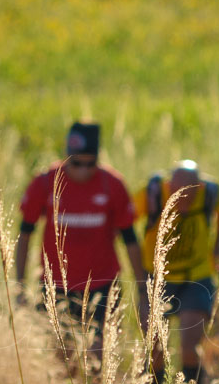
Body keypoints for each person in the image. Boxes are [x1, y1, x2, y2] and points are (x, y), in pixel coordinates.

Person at [15, 122, 146, 360]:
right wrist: (20, 285)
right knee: (60, 358)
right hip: (56, 285)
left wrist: (142, 289)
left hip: (103, 284)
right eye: (76, 163)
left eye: (91, 163)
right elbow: (24, 235)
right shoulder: (45, 183)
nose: (84, 170)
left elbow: (131, 240)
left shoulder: (112, 184)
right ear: (66, 157)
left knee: (97, 358)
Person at [134, 160, 219, 384]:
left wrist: (218, 242)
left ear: (199, 188)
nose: (183, 199)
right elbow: (123, 220)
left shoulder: (210, 193)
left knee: (189, 347)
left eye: (190, 192)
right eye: (177, 191)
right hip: (157, 280)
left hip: (196, 279)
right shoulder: (152, 194)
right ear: (169, 186)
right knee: (155, 348)